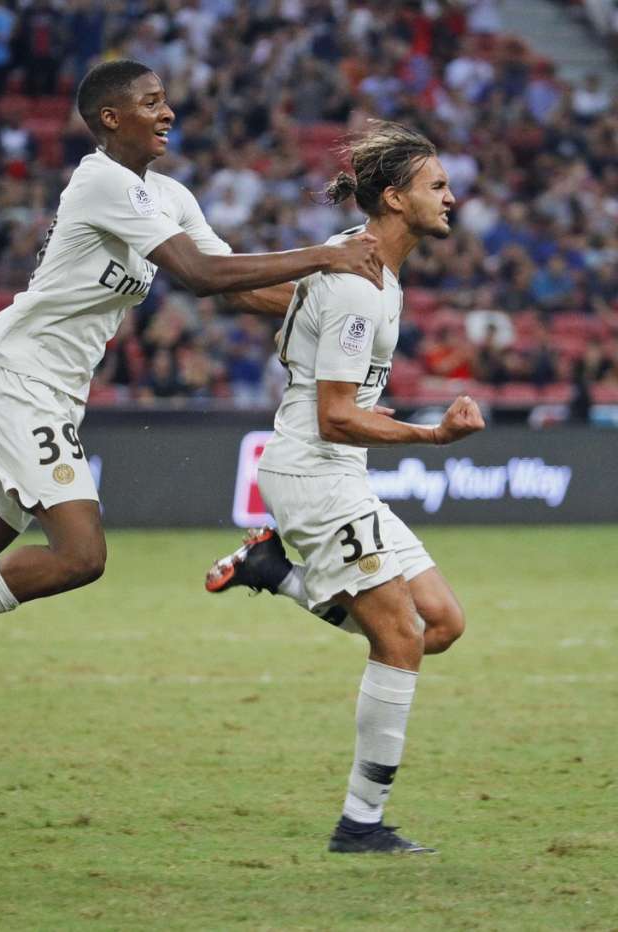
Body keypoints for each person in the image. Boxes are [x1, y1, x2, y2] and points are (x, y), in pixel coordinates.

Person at [0, 59, 384, 713]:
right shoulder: (102, 184)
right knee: (80, 553)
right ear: (111, 118)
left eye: (166, 100)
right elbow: (199, 275)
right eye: (152, 102)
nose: (168, 113)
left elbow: (235, 283)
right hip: (23, 381)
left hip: (47, 390)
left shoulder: (167, 196)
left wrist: (333, 315)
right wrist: (326, 256)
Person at [204, 122, 485, 854]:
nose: (452, 197)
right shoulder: (360, 286)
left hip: (336, 474)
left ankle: (273, 570)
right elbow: (334, 418)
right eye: (437, 187)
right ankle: (361, 824)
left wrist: (297, 316)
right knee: (399, 639)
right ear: (394, 198)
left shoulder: (355, 261)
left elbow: (264, 302)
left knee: (441, 625)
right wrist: (433, 437)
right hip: (316, 474)